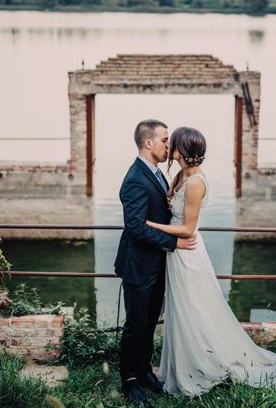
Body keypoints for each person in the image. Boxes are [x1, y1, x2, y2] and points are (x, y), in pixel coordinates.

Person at [146, 126, 276, 397]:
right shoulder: (181, 175)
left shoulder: (196, 182)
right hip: (176, 253)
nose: (169, 148)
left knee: (193, 308)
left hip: (187, 253)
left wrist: (151, 225)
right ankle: (179, 366)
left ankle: (198, 367)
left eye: (171, 144)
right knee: (180, 309)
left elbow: (187, 228)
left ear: (180, 151)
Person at [114, 119, 198, 407]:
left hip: (157, 263)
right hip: (138, 266)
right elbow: (135, 227)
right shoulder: (135, 178)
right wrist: (175, 242)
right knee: (136, 325)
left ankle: (144, 370)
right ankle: (130, 381)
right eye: (164, 139)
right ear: (148, 143)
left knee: (150, 322)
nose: (169, 144)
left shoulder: (159, 173)